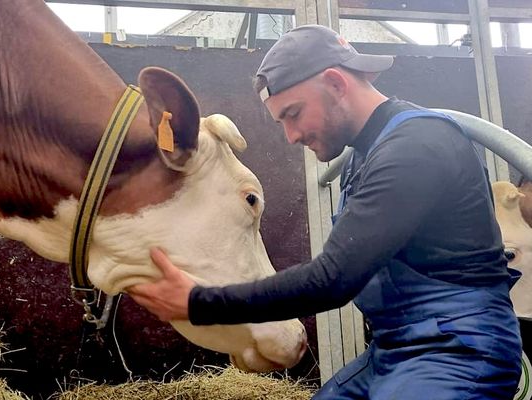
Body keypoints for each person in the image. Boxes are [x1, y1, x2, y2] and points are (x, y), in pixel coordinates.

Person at [128, 24, 523, 399]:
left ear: (335, 83)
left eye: (294, 114)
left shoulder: (416, 146)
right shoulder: (365, 154)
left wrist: (200, 301)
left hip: (460, 349)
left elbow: (334, 278)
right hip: (397, 347)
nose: (291, 135)